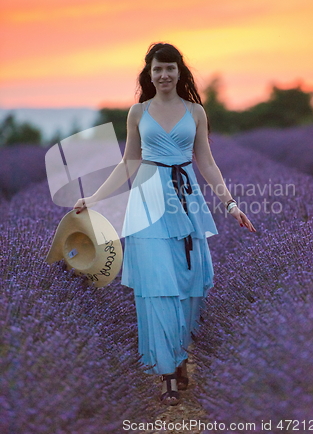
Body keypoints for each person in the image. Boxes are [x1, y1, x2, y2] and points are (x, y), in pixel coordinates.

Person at [73, 42, 256, 406]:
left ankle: (180, 353)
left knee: (189, 286)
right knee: (157, 286)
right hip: (147, 203)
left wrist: (230, 203)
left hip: (186, 202)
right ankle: (167, 373)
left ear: (179, 71)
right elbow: (128, 162)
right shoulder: (138, 113)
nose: (164, 75)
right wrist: (94, 199)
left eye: (170, 68)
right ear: (149, 73)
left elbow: (206, 162)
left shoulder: (196, 112)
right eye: (158, 69)